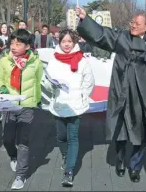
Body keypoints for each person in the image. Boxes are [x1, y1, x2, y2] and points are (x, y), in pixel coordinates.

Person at [76, 7, 146, 183]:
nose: (133, 25)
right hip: (122, 92)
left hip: (141, 97)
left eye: (137, 24)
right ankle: (121, 161)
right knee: (121, 130)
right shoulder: (122, 38)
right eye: (132, 22)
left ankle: (135, 166)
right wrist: (86, 19)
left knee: (141, 133)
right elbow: (103, 35)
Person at [0, 29, 43, 190]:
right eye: (12, 43)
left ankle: (21, 175)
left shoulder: (35, 62)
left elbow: (38, 81)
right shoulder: (5, 61)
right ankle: (12, 155)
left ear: (27, 46)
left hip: (27, 106)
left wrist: (38, 100)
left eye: (18, 44)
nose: (13, 46)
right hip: (8, 105)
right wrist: (1, 87)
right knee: (7, 139)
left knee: (23, 142)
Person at [44, 29, 94, 187]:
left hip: (75, 106)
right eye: (63, 41)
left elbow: (89, 81)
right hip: (59, 104)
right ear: (59, 42)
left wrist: (82, 96)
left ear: (75, 43)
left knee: (73, 138)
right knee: (61, 136)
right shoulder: (54, 60)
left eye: (69, 42)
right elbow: (46, 81)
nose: (66, 44)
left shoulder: (82, 60)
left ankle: (69, 171)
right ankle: (65, 156)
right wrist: (51, 85)